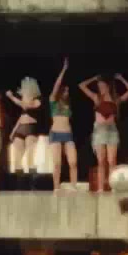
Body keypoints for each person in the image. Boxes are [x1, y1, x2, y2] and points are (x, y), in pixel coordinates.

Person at [79, 73, 128, 193]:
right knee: (101, 161)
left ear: (108, 87)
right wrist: (93, 78)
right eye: (99, 87)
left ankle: (112, 187)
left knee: (112, 161)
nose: (101, 89)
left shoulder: (115, 99)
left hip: (112, 130)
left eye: (103, 86)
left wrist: (121, 79)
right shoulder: (96, 98)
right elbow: (81, 86)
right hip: (99, 130)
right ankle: (100, 188)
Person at [48, 58, 78, 190]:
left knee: (73, 162)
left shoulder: (68, 105)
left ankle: (73, 187)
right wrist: (64, 70)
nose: (67, 93)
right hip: (55, 134)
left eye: (68, 91)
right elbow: (57, 85)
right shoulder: (53, 101)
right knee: (57, 163)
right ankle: (56, 188)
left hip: (68, 135)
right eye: (65, 91)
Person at [7, 77, 43, 179]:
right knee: (17, 158)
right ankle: (20, 182)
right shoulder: (23, 102)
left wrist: (11, 97)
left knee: (30, 157)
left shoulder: (37, 101)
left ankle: (32, 182)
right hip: (21, 129)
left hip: (31, 128)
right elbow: (21, 117)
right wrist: (13, 131)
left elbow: (26, 106)